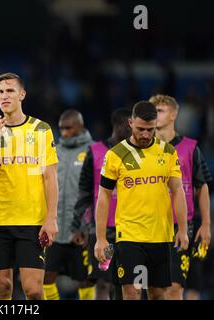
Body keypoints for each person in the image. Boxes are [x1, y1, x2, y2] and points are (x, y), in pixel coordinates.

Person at [0, 72, 58, 300]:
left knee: (34, 291)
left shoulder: (41, 129)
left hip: (32, 221)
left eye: (10, 91)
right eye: (0, 92)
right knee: (1, 288)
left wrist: (51, 218)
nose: (4, 96)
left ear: (22, 94)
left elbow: (50, 177)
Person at [94, 101, 189, 300]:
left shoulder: (168, 152)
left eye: (150, 130)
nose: (145, 135)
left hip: (160, 235)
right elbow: (103, 196)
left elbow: (178, 191)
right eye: (140, 129)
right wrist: (101, 238)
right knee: (132, 292)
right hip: (129, 235)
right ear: (130, 123)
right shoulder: (115, 155)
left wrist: (182, 229)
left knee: (158, 294)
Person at [149, 94, 212, 300]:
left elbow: (201, 186)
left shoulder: (190, 147)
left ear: (174, 114)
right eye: (153, 111)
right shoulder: (141, 149)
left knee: (175, 288)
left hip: (180, 226)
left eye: (160, 111)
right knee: (155, 291)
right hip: (148, 225)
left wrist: (206, 224)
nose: (155, 115)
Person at [72, 108, 132, 300]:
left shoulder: (137, 154)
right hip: (103, 229)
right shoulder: (96, 151)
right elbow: (84, 190)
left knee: (126, 283)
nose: (132, 130)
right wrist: (79, 224)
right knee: (102, 281)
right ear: (117, 125)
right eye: (128, 125)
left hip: (131, 228)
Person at [43, 109, 95, 300]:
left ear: (80, 126)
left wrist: (87, 227)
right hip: (56, 230)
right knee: (46, 277)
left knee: (87, 280)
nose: (64, 133)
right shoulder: (54, 151)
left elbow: (97, 194)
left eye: (68, 128)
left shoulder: (94, 151)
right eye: (61, 128)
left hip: (81, 231)